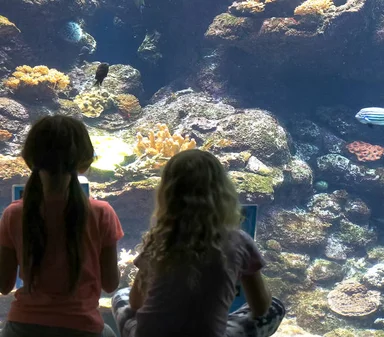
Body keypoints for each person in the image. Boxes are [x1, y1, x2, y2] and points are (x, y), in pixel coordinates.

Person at [111, 149, 285, 337]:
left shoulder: (159, 239)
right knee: (274, 306)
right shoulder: (240, 241)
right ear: (223, 192)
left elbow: (136, 303)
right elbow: (259, 307)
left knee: (121, 296)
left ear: (167, 193)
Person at [0, 115, 124, 337]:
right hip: (84, 328)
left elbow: (4, 285)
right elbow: (111, 284)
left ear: (30, 159)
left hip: (21, 328)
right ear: (84, 163)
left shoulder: (13, 214)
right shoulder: (102, 213)